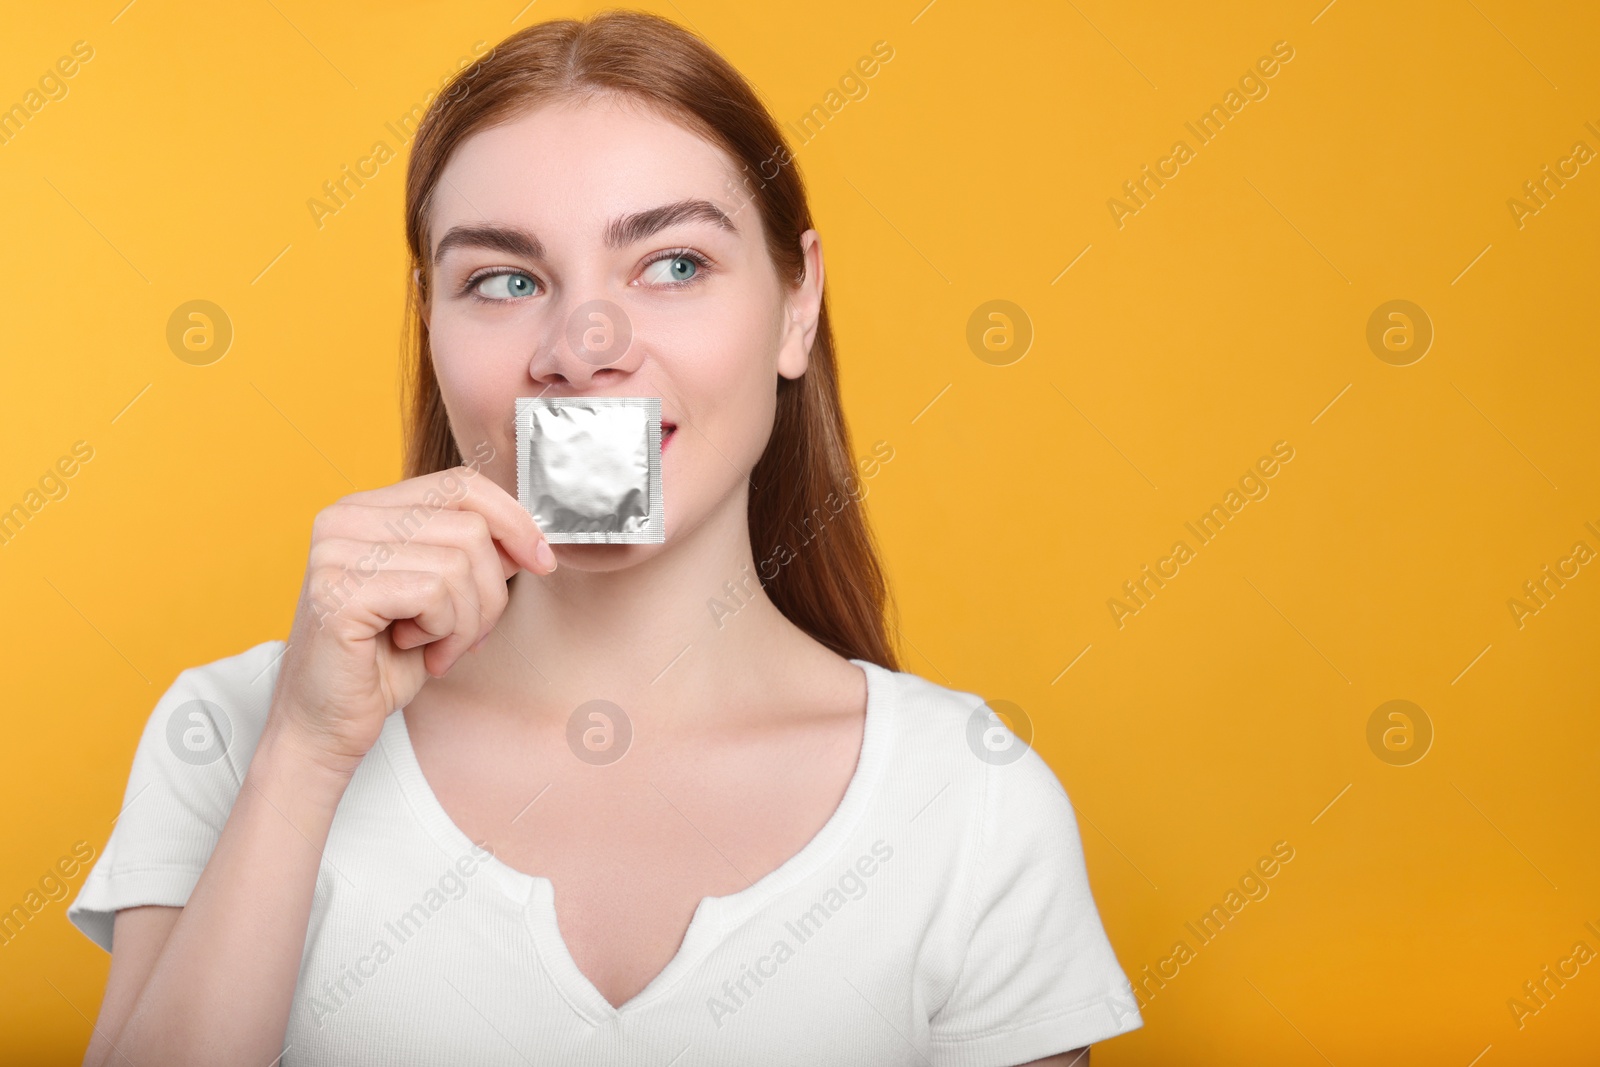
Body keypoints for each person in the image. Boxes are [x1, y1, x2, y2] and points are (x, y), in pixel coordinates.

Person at [67, 10, 1142, 1065]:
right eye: (505, 280)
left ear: (795, 304)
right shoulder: (230, 733)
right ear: (431, 327)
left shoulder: (972, 800)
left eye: (672, 264)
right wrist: (301, 760)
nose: (583, 349)